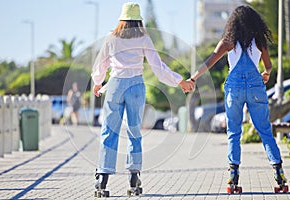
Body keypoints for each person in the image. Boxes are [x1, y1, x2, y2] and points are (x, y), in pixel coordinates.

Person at [91, 2, 192, 197]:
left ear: (121, 19)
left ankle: (102, 179)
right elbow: (158, 67)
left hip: (115, 85)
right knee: (134, 131)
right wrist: (180, 81)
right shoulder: (144, 38)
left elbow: (101, 65)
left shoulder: (110, 38)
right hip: (136, 86)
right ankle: (133, 178)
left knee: (109, 131)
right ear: (138, 20)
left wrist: (97, 82)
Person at [188, 5, 287, 193]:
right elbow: (268, 66)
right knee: (265, 131)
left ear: (233, 23)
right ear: (254, 23)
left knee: (234, 132)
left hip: (234, 88)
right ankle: (279, 175)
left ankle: (233, 176)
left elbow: (211, 60)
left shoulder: (228, 41)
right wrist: (265, 74)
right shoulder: (259, 41)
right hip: (256, 87)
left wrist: (193, 77)